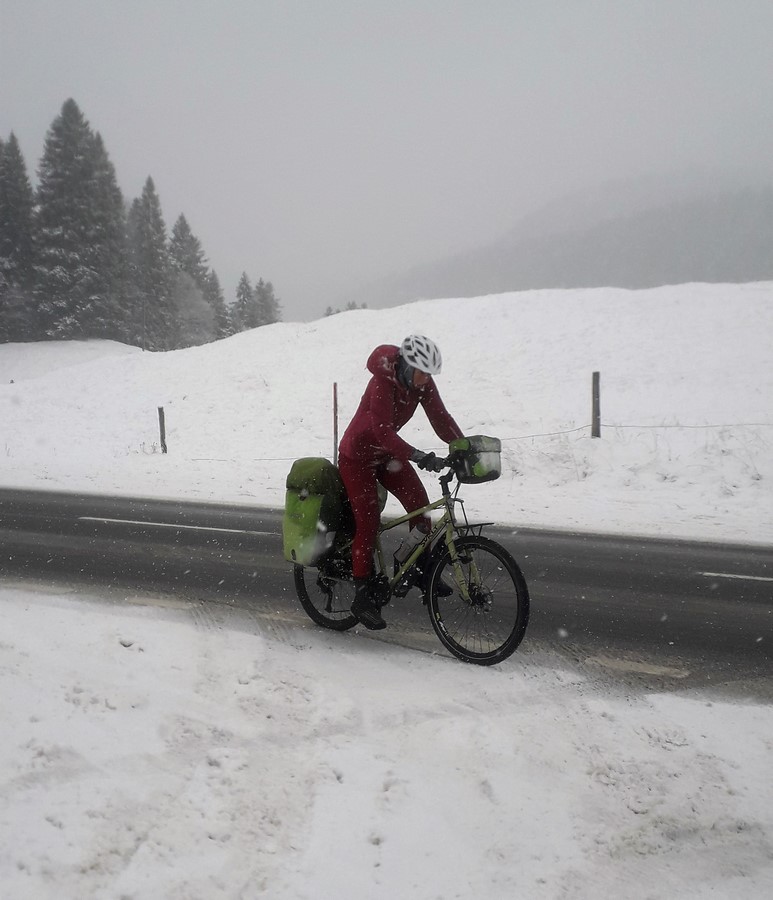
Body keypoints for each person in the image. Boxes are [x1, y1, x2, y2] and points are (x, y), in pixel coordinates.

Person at [338, 334, 463, 630]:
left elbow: (441, 418)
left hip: (387, 456)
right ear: (407, 366)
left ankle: (416, 569)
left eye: (429, 374)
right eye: (421, 372)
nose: (425, 379)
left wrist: (462, 446)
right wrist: (419, 455)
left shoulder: (422, 384)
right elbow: (382, 431)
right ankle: (361, 595)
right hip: (357, 457)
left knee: (421, 511)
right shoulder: (383, 382)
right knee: (368, 523)